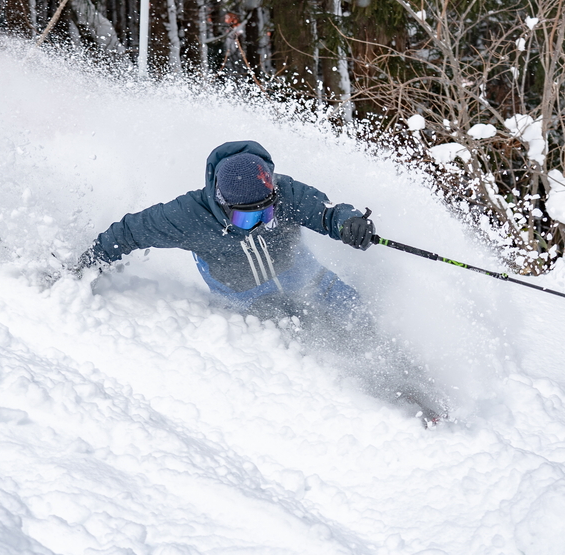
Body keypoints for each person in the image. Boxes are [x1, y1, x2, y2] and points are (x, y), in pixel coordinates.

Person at [70, 140, 444, 425]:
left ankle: (416, 384)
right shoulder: (186, 216)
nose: (263, 223)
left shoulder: (286, 193)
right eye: (248, 220)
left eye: (266, 213)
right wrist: (85, 268)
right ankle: (375, 393)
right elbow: (128, 232)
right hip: (251, 298)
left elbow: (328, 213)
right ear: (220, 202)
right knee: (306, 326)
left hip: (306, 276)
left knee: (354, 310)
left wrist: (350, 224)